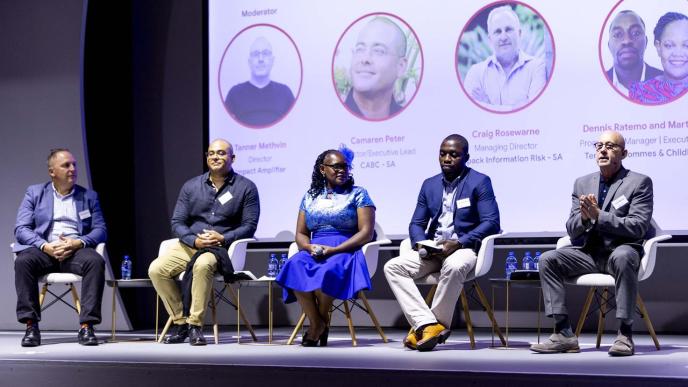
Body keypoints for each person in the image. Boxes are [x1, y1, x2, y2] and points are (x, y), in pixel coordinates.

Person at [531, 131, 653, 357]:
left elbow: (638, 226)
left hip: (621, 251)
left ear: (624, 153)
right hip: (589, 253)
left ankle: (625, 334)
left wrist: (599, 215)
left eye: (611, 146)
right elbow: (571, 227)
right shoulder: (582, 182)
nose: (603, 150)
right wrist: (585, 218)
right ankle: (563, 333)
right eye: (599, 146)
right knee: (548, 259)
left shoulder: (639, 182)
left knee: (623, 256)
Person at [384, 134, 500, 352]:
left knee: (454, 266)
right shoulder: (429, 185)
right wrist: (421, 243)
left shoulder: (479, 181)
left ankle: (427, 329)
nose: (447, 158)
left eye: (454, 155)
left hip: (463, 248)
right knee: (393, 267)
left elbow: (492, 223)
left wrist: (458, 243)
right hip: (433, 249)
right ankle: (427, 324)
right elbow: (416, 223)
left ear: (466, 157)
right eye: (443, 153)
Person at [149, 139, 260, 346]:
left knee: (203, 264)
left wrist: (223, 237)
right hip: (192, 245)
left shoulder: (246, 188)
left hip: (221, 249)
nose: (215, 157)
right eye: (211, 153)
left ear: (232, 158)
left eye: (221, 153)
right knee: (157, 269)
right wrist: (194, 240)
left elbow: (249, 225)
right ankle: (181, 322)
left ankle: (195, 326)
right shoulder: (191, 186)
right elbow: (177, 222)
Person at [276, 147, 375, 346]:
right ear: (322, 169)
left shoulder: (359, 194)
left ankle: (315, 327)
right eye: (336, 167)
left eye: (345, 167)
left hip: (346, 249)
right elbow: (301, 233)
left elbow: (366, 233)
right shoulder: (310, 196)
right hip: (315, 248)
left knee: (328, 270)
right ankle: (319, 322)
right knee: (294, 266)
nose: (342, 171)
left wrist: (335, 250)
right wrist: (308, 247)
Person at [13, 149, 107, 347]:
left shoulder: (88, 196)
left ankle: (87, 326)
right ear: (52, 171)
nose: (72, 169)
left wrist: (77, 243)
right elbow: (21, 228)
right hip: (44, 250)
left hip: (75, 251)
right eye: (66, 165)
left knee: (95, 261)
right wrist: (44, 245)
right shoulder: (35, 193)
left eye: (74, 164)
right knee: (23, 261)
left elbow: (101, 230)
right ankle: (31, 326)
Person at [463, 5, 547, 111]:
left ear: (519, 33)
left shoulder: (537, 68)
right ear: (490, 39)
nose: (503, 37)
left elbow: (535, 110)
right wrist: (519, 106)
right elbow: (469, 113)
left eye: (508, 30)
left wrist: (486, 104)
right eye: (498, 32)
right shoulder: (475, 73)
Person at [345, 17, 409, 120]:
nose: (365, 59)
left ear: (401, 66)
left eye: (378, 51)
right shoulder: (328, 118)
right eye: (360, 49)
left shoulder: (412, 122)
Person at [224, 36, 295, 127]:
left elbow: (294, 127)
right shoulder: (234, 94)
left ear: (272, 61)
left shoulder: (285, 93)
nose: (260, 59)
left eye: (265, 53)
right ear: (249, 62)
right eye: (256, 54)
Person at [630, 12, 688, 104]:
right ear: (658, 47)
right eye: (669, 45)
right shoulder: (639, 93)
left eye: (686, 45)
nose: (678, 54)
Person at [605, 10, 663, 96]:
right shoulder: (597, 84)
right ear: (609, 45)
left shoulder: (667, 83)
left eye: (636, 33)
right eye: (617, 34)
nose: (627, 40)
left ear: (646, 42)